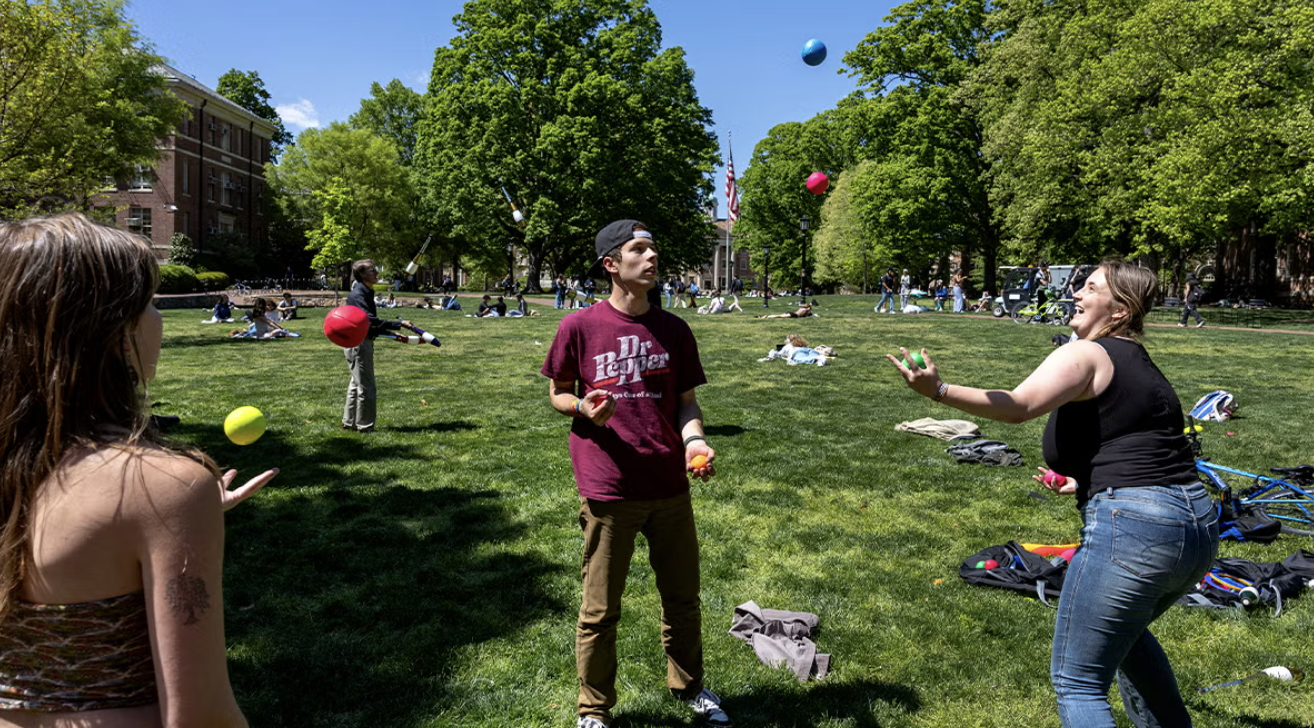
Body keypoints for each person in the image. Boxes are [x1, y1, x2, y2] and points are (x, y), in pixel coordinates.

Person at [888, 261, 1215, 728]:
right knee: (1127, 638)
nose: (1076, 293)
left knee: (1078, 682)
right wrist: (1082, 481)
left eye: (1090, 287)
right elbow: (1141, 442)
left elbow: (1019, 406)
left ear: (1119, 308)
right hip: (1193, 526)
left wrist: (937, 390)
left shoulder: (1084, 352)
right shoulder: (1139, 361)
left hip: (1136, 526)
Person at [0, 213, 276, 726]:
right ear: (114, 331)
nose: (157, 317)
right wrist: (169, 505)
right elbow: (200, 717)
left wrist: (158, 524)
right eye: (148, 302)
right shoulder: (164, 485)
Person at [541, 219, 731, 728]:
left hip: (669, 484)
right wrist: (582, 406)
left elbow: (687, 403)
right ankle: (594, 710)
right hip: (609, 486)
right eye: (639, 250)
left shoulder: (674, 329)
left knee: (683, 598)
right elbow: (557, 391)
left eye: (653, 250)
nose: (651, 259)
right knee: (600, 610)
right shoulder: (578, 327)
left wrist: (694, 441)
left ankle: (690, 688)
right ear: (611, 264)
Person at [343, 259, 409, 432]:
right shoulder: (359, 294)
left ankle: (349, 422)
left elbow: (368, 324)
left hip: (358, 340)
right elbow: (368, 321)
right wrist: (397, 325)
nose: (376, 273)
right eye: (372, 270)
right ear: (362, 275)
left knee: (356, 383)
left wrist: (392, 334)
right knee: (366, 386)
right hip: (359, 343)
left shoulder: (364, 291)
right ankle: (365, 426)